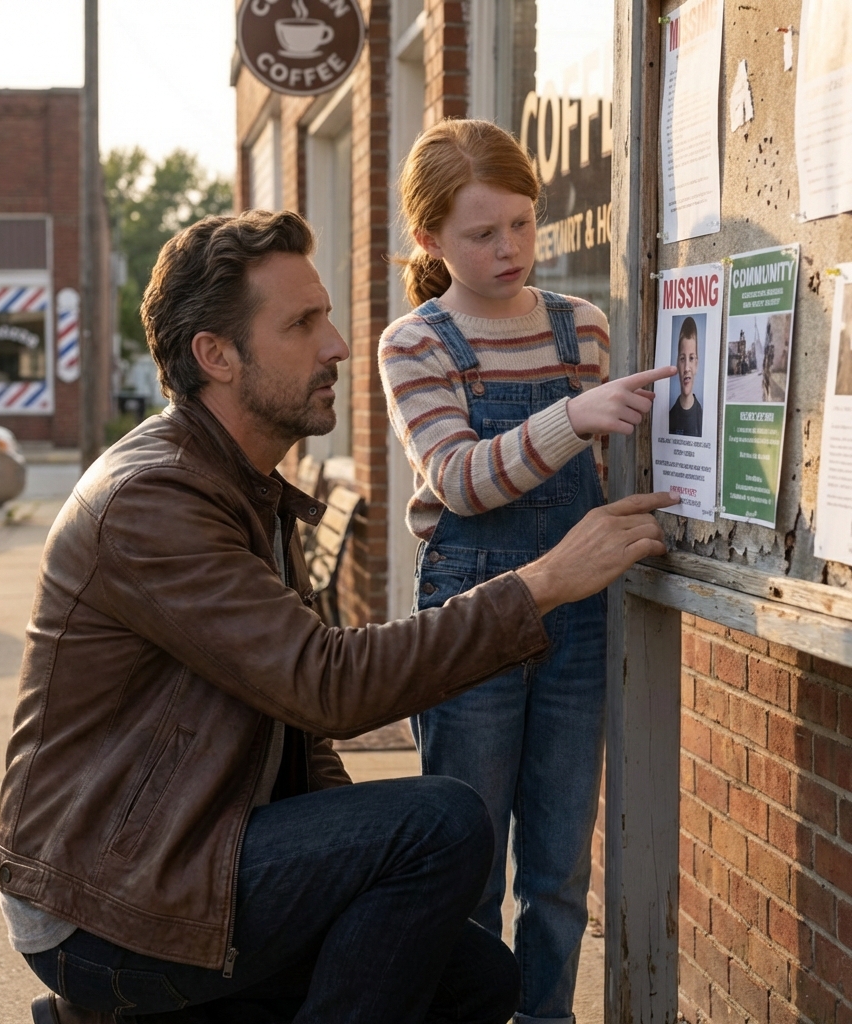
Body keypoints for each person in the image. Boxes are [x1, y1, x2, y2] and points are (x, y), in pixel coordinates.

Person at [0, 208, 673, 1024]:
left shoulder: (236, 481)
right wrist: (546, 581)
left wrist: (352, 851)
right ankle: (119, 1005)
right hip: (106, 901)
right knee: (444, 822)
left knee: (478, 980)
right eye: (302, 325)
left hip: (188, 852)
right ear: (216, 355)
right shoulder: (156, 500)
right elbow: (327, 685)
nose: (338, 346)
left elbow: (299, 736)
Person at [378, 119, 675, 1024]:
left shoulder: (578, 327)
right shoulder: (414, 343)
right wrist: (574, 418)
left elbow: (602, 458)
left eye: (521, 224)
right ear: (428, 240)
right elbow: (461, 482)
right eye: (480, 233)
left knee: (558, 866)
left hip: (578, 612)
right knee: (467, 860)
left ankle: (547, 1015)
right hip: (469, 606)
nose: (507, 249)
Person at [669, 317, 703, 436]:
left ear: (696, 365)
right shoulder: (669, 416)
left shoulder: (702, 417)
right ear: (677, 364)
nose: (687, 367)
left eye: (691, 358)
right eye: (682, 359)